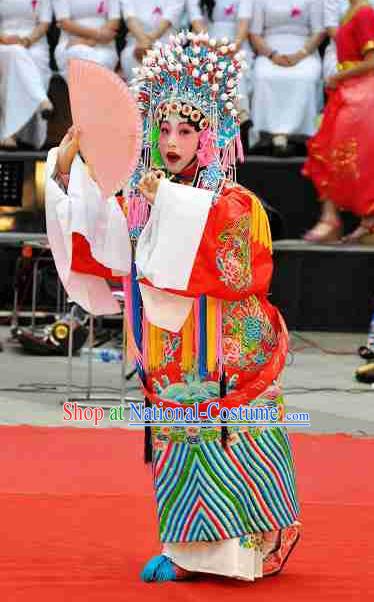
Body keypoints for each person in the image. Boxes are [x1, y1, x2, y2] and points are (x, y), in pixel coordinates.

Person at [45, 31, 301, 582]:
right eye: (162, 129)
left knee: (230, 447)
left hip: (228, 356)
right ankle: (186, 552)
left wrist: (171, 203)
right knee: (179, 448)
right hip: (172, 350)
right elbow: (103, 243)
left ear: (212, 136)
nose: (171, 140)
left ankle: (241, 553)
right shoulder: (142, 193)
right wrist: (68, 171)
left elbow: (237, 269)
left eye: (186, 130)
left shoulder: (236, 203)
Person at [303, 0, 374, 243]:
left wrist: (338, 75)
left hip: (361, 95)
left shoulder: (364, 13)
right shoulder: (352, 11)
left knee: (338, 153)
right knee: (332, 152)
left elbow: (372, 60)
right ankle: (337, 218)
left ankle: (336, 219)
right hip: (350, 92)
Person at [250, 0, 325, 156]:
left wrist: (300, 55)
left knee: (306, 77)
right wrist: (272, 55)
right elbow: (255, 33)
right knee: (263, 75)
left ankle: (303, 135)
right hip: (269, 50)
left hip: (305, 51)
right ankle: (269, 135)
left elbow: (319, 31)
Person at [187, 0, 254, 150]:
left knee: (235, 71)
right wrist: (214, 47)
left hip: (236, 44)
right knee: (209, 69)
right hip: (206, 44)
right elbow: (197, 23)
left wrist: (233, 46)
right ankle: (213, 130)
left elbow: (244, 22)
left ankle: (239, 126)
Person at [0, 0, 54, 150]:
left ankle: (10, 134)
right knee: (15, 53)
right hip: (3, 42)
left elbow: (44, 23)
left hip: (33, 42)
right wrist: (4, 38)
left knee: (22, 58)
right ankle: (41, 100)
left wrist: (26, 40)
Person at [53, 0, 121, 80]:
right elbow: (64, 22)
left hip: (104, 45)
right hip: (71, 43)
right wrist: (97, 36)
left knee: (101, 63)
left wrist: (89, 41)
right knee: (80, 57)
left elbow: (114, 21)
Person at [119, 0, 185, 83]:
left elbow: (169, 19)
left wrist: (147, 42)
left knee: (165, 61)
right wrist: (143, 41)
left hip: (166, 41)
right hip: (136, 39)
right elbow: (129, 17)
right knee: (128, 56)